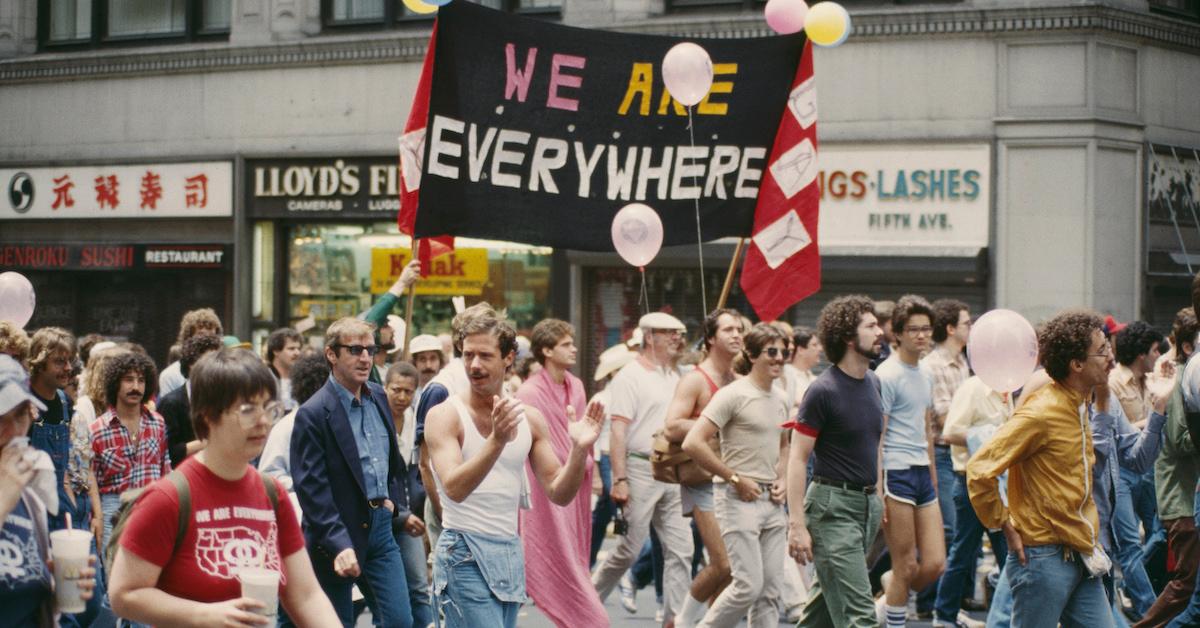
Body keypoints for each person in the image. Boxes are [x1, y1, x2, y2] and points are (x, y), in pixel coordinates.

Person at [108, 348, 341, 626]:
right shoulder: (168, 498)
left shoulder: (273, 494)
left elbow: (306, 595)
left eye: (269, 408)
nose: (263, 421)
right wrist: (204, 615)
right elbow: (123, 594)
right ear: (208, 417)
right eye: (247, 410)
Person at [424, 305, 603, 627]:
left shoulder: (530, 419)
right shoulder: (444, 415)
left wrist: (579, 451)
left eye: (485, 356)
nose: (474, 365)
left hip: (508, 549)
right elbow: (453, 487)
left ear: (508, 358)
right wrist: (496, 440)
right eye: (468, 355)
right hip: (463, 550)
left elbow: (559, 493)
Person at [967, 309, 1115, 628]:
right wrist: (1003, 524)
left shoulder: (1078, 404)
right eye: (1102, 350)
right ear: (1077, 365)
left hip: (1082, 551)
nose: (1111, 356)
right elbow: (979, 469)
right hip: (1042, 558)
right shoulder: (1041, 413)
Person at [291, 317, 414, 628]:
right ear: (332, 354)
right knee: (335, 622)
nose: (365, 358)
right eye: (355, 350)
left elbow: (392, 463)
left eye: (370, 350)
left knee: (400, 620)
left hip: (381, 528)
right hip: (335, 533)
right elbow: (311, 490)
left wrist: (393, 503)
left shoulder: (378, 396)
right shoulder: (314, 413)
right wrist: (338, 542)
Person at [786, 295, 885, 628]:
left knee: (822, 613)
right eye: (870, 326)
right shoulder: (822, 390)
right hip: (832, 510)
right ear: (848, 337)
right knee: (861, 617)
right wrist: (796, 524)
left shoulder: (874, 381)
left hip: (867, 506)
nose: (880, 331)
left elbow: (877, 443)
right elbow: (797, 458)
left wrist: (879, 496)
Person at [682, 323, 790, 628]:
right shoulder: (733, 394)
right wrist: (734, 478)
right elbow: (693, 442)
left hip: (772, 502)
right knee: (748, 586)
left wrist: (782, 479)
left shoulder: (781, 397)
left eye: (784, 351)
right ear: (753, 355)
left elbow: (783, 446)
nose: (779, 357)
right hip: (736, 499)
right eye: (772, 351)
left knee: (770, 592)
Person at [591, 311, 696, 626]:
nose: (677, 337)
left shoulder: (677, 375)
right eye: (669, 332)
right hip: (639, 468)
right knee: (629, 549)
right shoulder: (629, 376)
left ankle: (673, 619)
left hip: (673, 470)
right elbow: (618, 432)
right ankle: (587, 607)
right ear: (649, 336)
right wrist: (620, 479)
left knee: (682, 549)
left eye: (678, 332)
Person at [515, 318, 607, 628]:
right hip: (545, 487)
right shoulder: (528, 393)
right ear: (546, 350)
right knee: (557, 551)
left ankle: (576, 615)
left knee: (576, 554)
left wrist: (592, 474)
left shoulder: (576, 385)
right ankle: (584, 615)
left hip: (577, 481)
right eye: (566, 344)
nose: (574, 349)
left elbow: (585, 434)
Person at [0, 354, 97, 627]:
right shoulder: (10, 492)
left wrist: (57, 592)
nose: (13, 431)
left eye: (20, 415)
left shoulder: (29, 497)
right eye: (0, 418)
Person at [663, 308, 742, 628]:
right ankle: (681, 622)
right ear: (710, 338)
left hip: (731, 479)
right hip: (701, 479)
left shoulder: (738, 379)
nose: (737, 334)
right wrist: (711, 422)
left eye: (740, 329)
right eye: (729, 330)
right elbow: (671, 427)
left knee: (735, 569)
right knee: (722, 564)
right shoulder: (695, 379)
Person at [876, 295, 946, 628]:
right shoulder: (887, 374)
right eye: (913, 329)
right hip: (895, 471)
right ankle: (894, 619)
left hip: (921, 472)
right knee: (905, 566)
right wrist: (878, 488)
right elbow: (877, 435)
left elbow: (926, 426)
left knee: (934, 564)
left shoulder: (926, 373)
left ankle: (890, 593)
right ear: (898, 333)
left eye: (926, 329)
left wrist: (932, 473)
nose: (921, 335)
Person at [934, 375, 1012, 627]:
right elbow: (949, 432)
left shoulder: (1007, 390)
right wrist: (990, 435)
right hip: (970, 480)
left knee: (1007, 550)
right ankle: (944, 614)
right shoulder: (973, 388)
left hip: (998, 482)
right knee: (964, 550)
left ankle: (1004, 615)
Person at [89, 351, 170, 546]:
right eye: (128, 380)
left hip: (151, 506)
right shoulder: (98, 429)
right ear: (115, 383)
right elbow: (91, 480)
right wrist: (97, 517)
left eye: (141, 380)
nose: (135, 387)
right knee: (113, 573)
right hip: (113, 510)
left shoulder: (157, 423)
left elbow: (165, 469)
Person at [382, 362, 432, 628]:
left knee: (418, 588)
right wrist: (400, 514)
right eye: (396, 390)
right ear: (385, 388)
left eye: (408, 391)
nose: (402, 397)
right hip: (380, 518)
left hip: (412, 519)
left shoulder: (418, 422)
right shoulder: (375, 421)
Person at [160, 333, 223, 468]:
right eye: (209, 361)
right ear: (191, 364)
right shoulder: (171, 403)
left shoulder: (223, 400)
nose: (215, 367)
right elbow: (167, 452)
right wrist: (207, 442)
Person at [158, 308, 223, 398]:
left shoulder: (225, 372)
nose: (207, 342)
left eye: (212, 337)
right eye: (201, 336)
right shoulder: (170, 375)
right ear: (188, 339)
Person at [267, 328, 304, 411]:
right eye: (291, 348)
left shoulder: (302, 377)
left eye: (298, 348)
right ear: (276, 351)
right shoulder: (264, 377)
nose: (297, 353)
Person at [408, 335, 445, 401]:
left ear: (440, 361)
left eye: (433, 359)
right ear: (414, 363)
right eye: (422, 359)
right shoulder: (408, 394)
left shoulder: (449, 390)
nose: (428, 365)